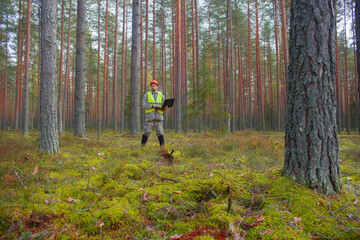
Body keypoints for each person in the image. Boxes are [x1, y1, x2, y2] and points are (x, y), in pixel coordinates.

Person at [141, 80, 168, 147]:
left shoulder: (161, 95)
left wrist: (164, 108)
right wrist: (152, 106)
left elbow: (164, 104)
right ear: (150, 87)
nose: (153, 87)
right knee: (146, 132)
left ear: (157, 87)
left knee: (160, 132)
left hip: (159, 117)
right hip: (150, 117)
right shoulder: (147, 95)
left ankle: (162, 147)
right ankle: (143, 145)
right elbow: (143, 105)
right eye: (152, 86)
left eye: (154, 86)